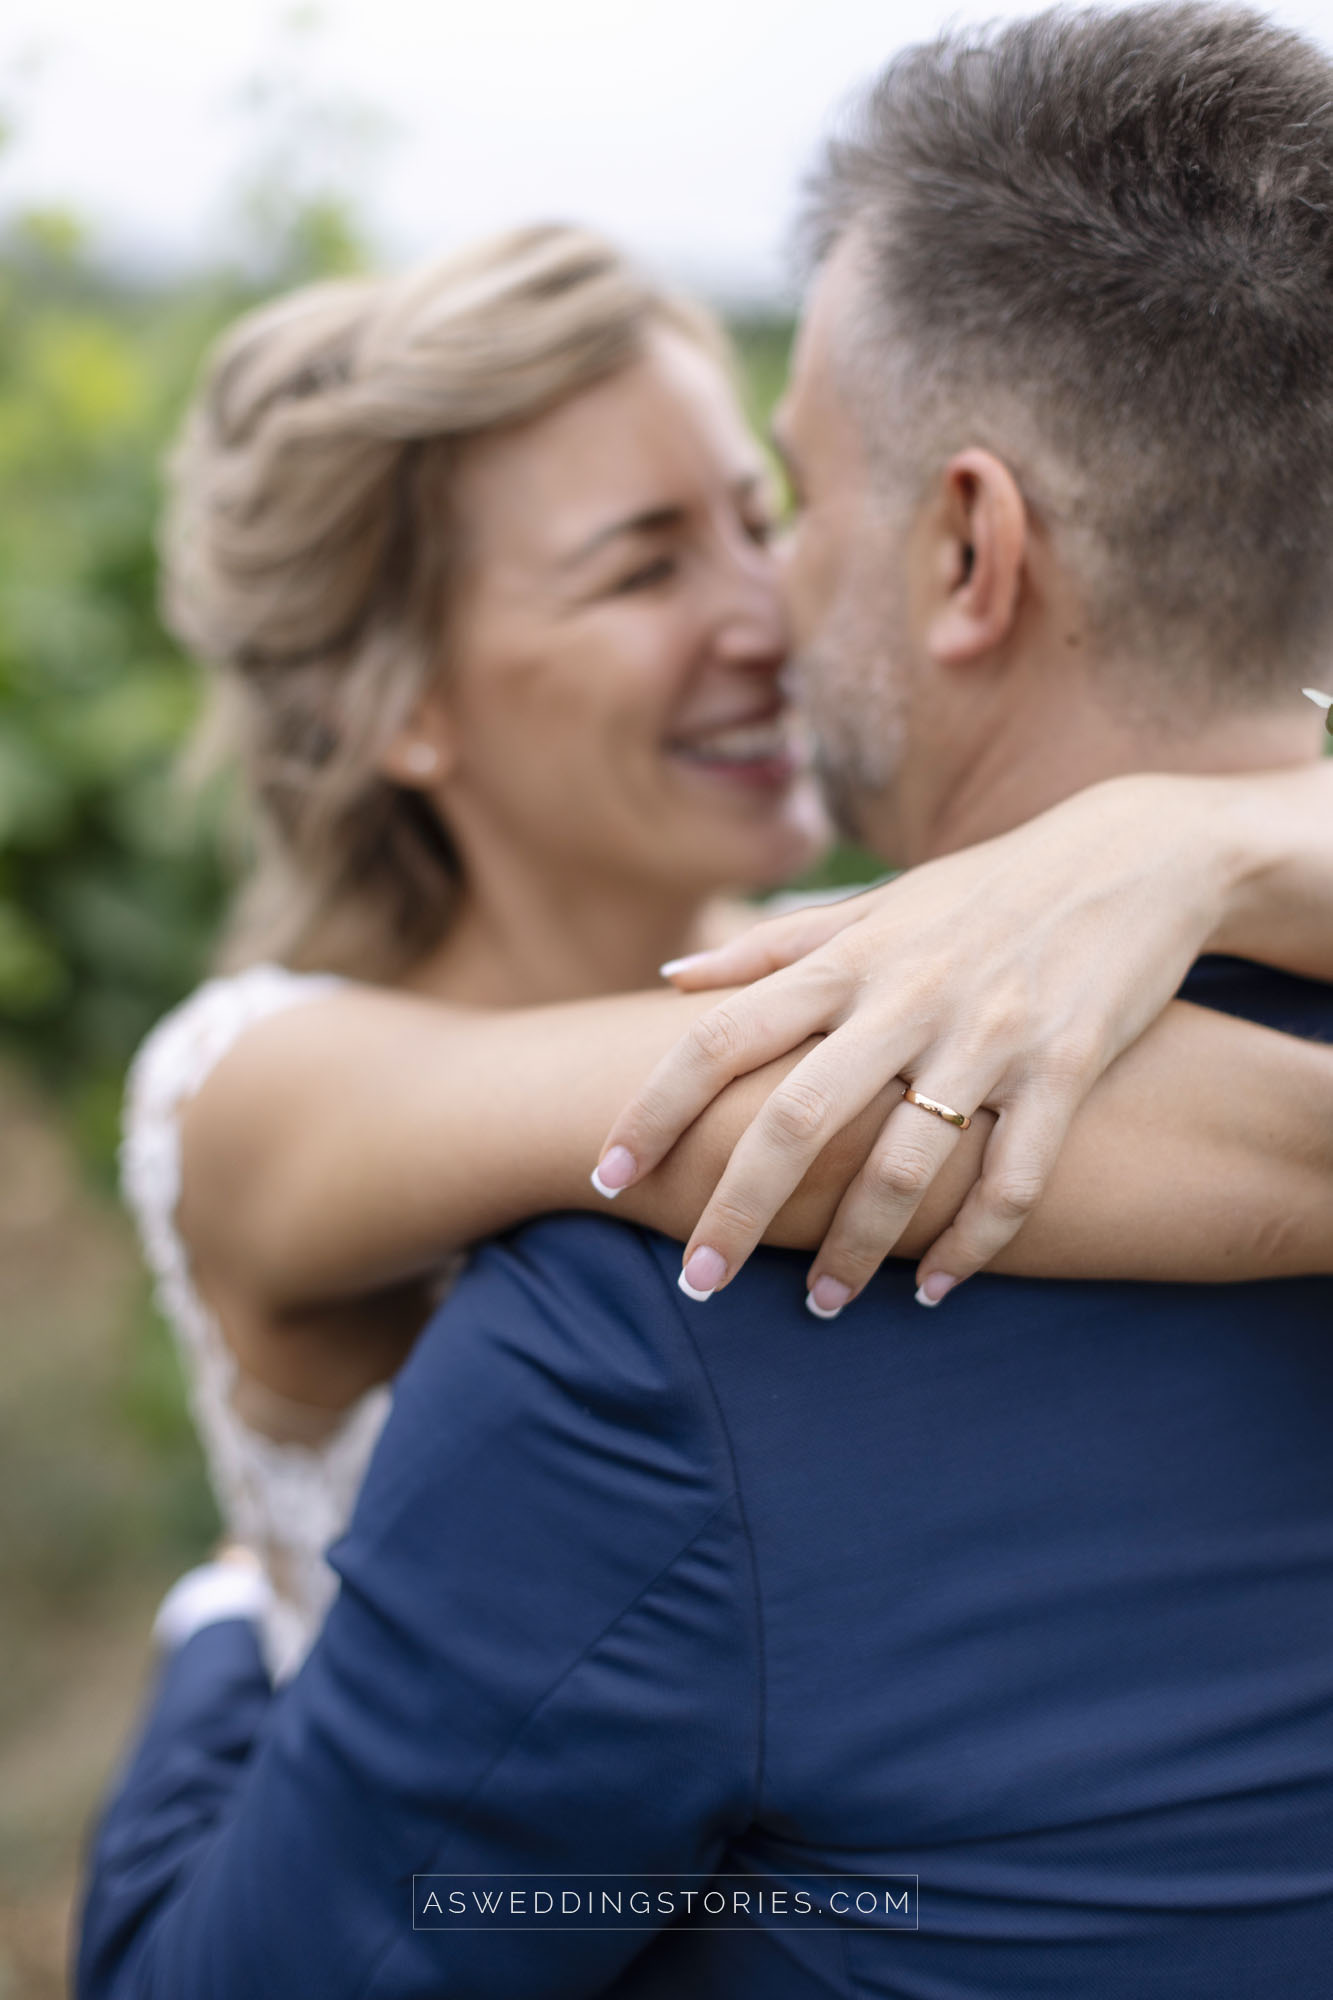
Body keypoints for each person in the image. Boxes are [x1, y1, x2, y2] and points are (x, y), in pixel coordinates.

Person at [82, 11, 1333, 1991]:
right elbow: (756, 1095)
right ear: (403, 702)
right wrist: (215, 1634)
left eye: (764, 512)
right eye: (640, 563)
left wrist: (1198, 843)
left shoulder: (913, 957)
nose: (760, 613)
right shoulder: (286, 1080)